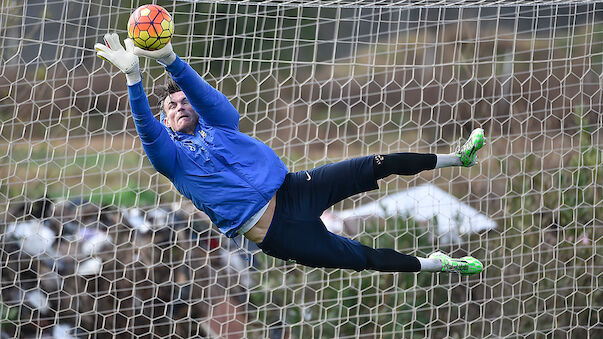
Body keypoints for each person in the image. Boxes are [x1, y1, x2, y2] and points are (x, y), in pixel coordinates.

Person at [95, 33, 485, 275]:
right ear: (166, 119)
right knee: (365, 258)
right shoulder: (171, 160)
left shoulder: (220, 123)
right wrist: (133, 77)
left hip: (297, 189)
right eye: (171, 107)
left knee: (376, 165)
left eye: (184, 101)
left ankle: (458, 158)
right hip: (280, 233)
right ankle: (438, 263)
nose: (180, 107)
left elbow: (208, 98)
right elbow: (147, 130)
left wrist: (169, 60)